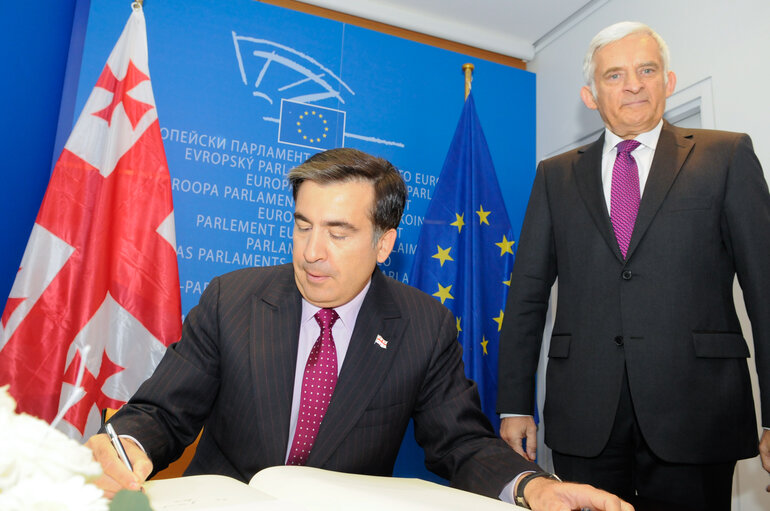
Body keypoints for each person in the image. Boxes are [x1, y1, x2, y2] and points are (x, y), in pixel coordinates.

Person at [87, 148, 631, 510]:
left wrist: (534, 487)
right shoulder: (233, 298)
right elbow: (163, 411)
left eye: (339, 232)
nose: (312, 252)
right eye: (303, 226)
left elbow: (461, 443)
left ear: (385, 243)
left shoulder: (424, 326)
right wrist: (129, 444)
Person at [497, 21, 770, 511]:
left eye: (647, 70)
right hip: (585, 415)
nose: (634, 84)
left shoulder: (726, 156)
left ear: (668, 81)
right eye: (615, 75)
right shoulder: (555, 177)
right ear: (590, 94)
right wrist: (515, 404)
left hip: (698, 411)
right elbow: (527, 297)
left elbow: (766, 292)